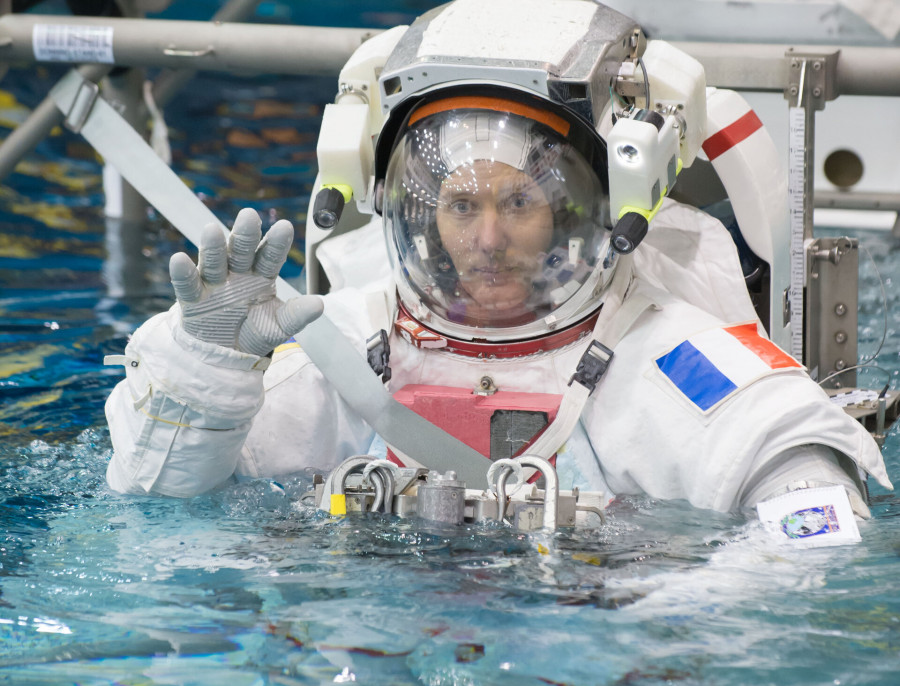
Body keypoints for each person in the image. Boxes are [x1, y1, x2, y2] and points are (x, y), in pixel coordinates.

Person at [104, 0, 891, 532]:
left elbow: (813, 522)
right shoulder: (342, 345)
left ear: (583, 207)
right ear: (415, 211)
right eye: (459, 206)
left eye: (518, 204)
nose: (485, 239)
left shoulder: (666, 358)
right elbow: (158, 507)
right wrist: (203, 375)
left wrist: (664, 607)